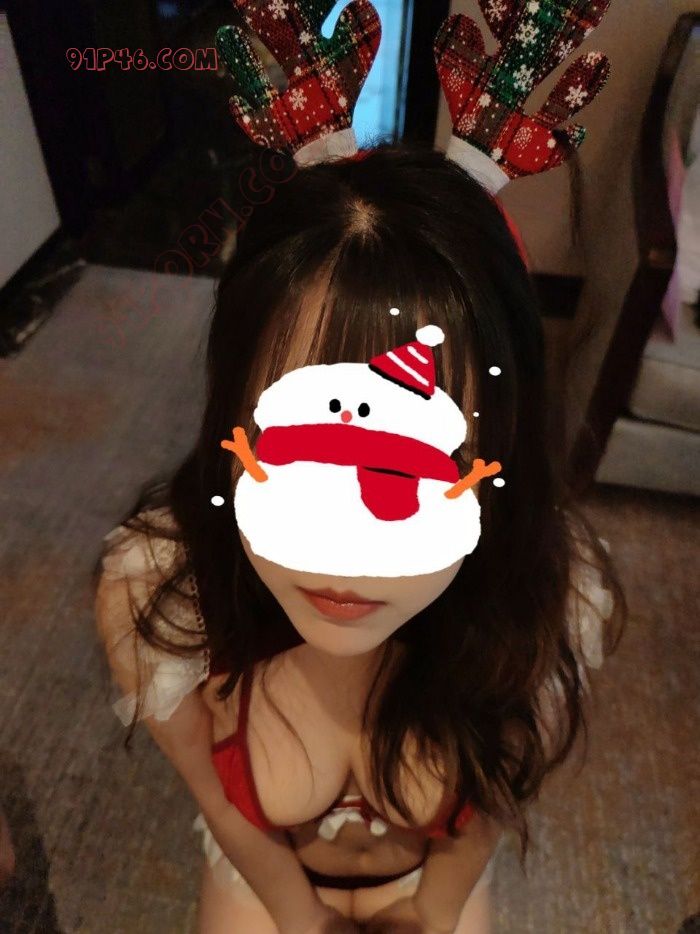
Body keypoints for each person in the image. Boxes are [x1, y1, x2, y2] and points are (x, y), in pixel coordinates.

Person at [95, 141, 625, 934]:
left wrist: (433, 909)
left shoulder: (549, 584)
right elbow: (214, 792)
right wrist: (299, 915)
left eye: (402, 471)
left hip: (429, 878)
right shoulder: (160, 582)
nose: (346, 547)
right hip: (265, 874)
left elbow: (500, 787)